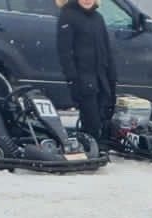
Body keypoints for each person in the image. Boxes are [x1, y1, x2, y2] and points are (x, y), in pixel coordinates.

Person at [57, 0, 116, 143]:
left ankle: (99, 144)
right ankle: (92, 146)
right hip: (83, 80)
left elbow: (107, 51)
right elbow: (65, 52)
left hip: (102, 79)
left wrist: (112, 78)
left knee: (104, 117)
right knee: (92, 120)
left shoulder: (98, 18)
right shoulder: (68, 16)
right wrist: (72, 79)